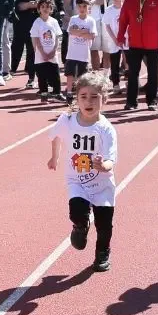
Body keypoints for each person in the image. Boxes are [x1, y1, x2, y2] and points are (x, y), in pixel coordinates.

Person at [48, 70, 118, 272]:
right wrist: (55, 157)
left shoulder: (105, 129)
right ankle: (80, 225)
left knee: (104, 224)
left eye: (95, 97)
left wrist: (103, 165)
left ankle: (102, 253)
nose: (89, 102)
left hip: (102, 183)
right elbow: (55, 136)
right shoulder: (67, 120)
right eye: (84, 97)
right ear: (77, 98)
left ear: (104, 99)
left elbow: (111, 158)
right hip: (76, 180)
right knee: (77, 211)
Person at [13, 0, 64, 90]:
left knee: (50, 48)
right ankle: (32, 77)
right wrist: (30, 5)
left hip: (49, 22)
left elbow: (58, 1)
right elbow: (18, 6)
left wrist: (61, 12)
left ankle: (52, 80)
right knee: (33, 50)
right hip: (33, 22)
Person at [64, 0, 97, 107]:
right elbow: (71, 31)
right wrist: (84, 32)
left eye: (85, 6)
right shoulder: (74, 19)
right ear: (77, 7)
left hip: (84, 54)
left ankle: (80, 94)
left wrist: (80, 32)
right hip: (72, 53)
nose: (82, 8)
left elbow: (92, 35)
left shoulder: (91, 21)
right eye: (80, 6)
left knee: (82, 76)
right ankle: (69, 93)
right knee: (70, 74)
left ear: (88, 7)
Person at [31, 0, 64, 102]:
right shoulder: (37, 22)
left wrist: (54, 50)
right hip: (41, 55)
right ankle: (44, 94)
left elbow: (58, 37)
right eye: (43, 6)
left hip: (52, 54)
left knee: (55, 74)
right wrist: (42, 52)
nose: (45, 9)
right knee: (42, 75)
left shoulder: (54, 22)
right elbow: (35, 38)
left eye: (48, 7)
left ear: (51, 9)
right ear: (39, 9)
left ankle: (57, 93)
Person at [102, 0, 126, 94]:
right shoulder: (109, 10)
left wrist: (124, 37)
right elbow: (107, 25)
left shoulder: (126, 8)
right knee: (115, 62)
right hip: (114, 40)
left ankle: (131, 81)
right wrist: (115, 39)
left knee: (129, 61)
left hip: (126, 39)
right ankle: (116, 84)